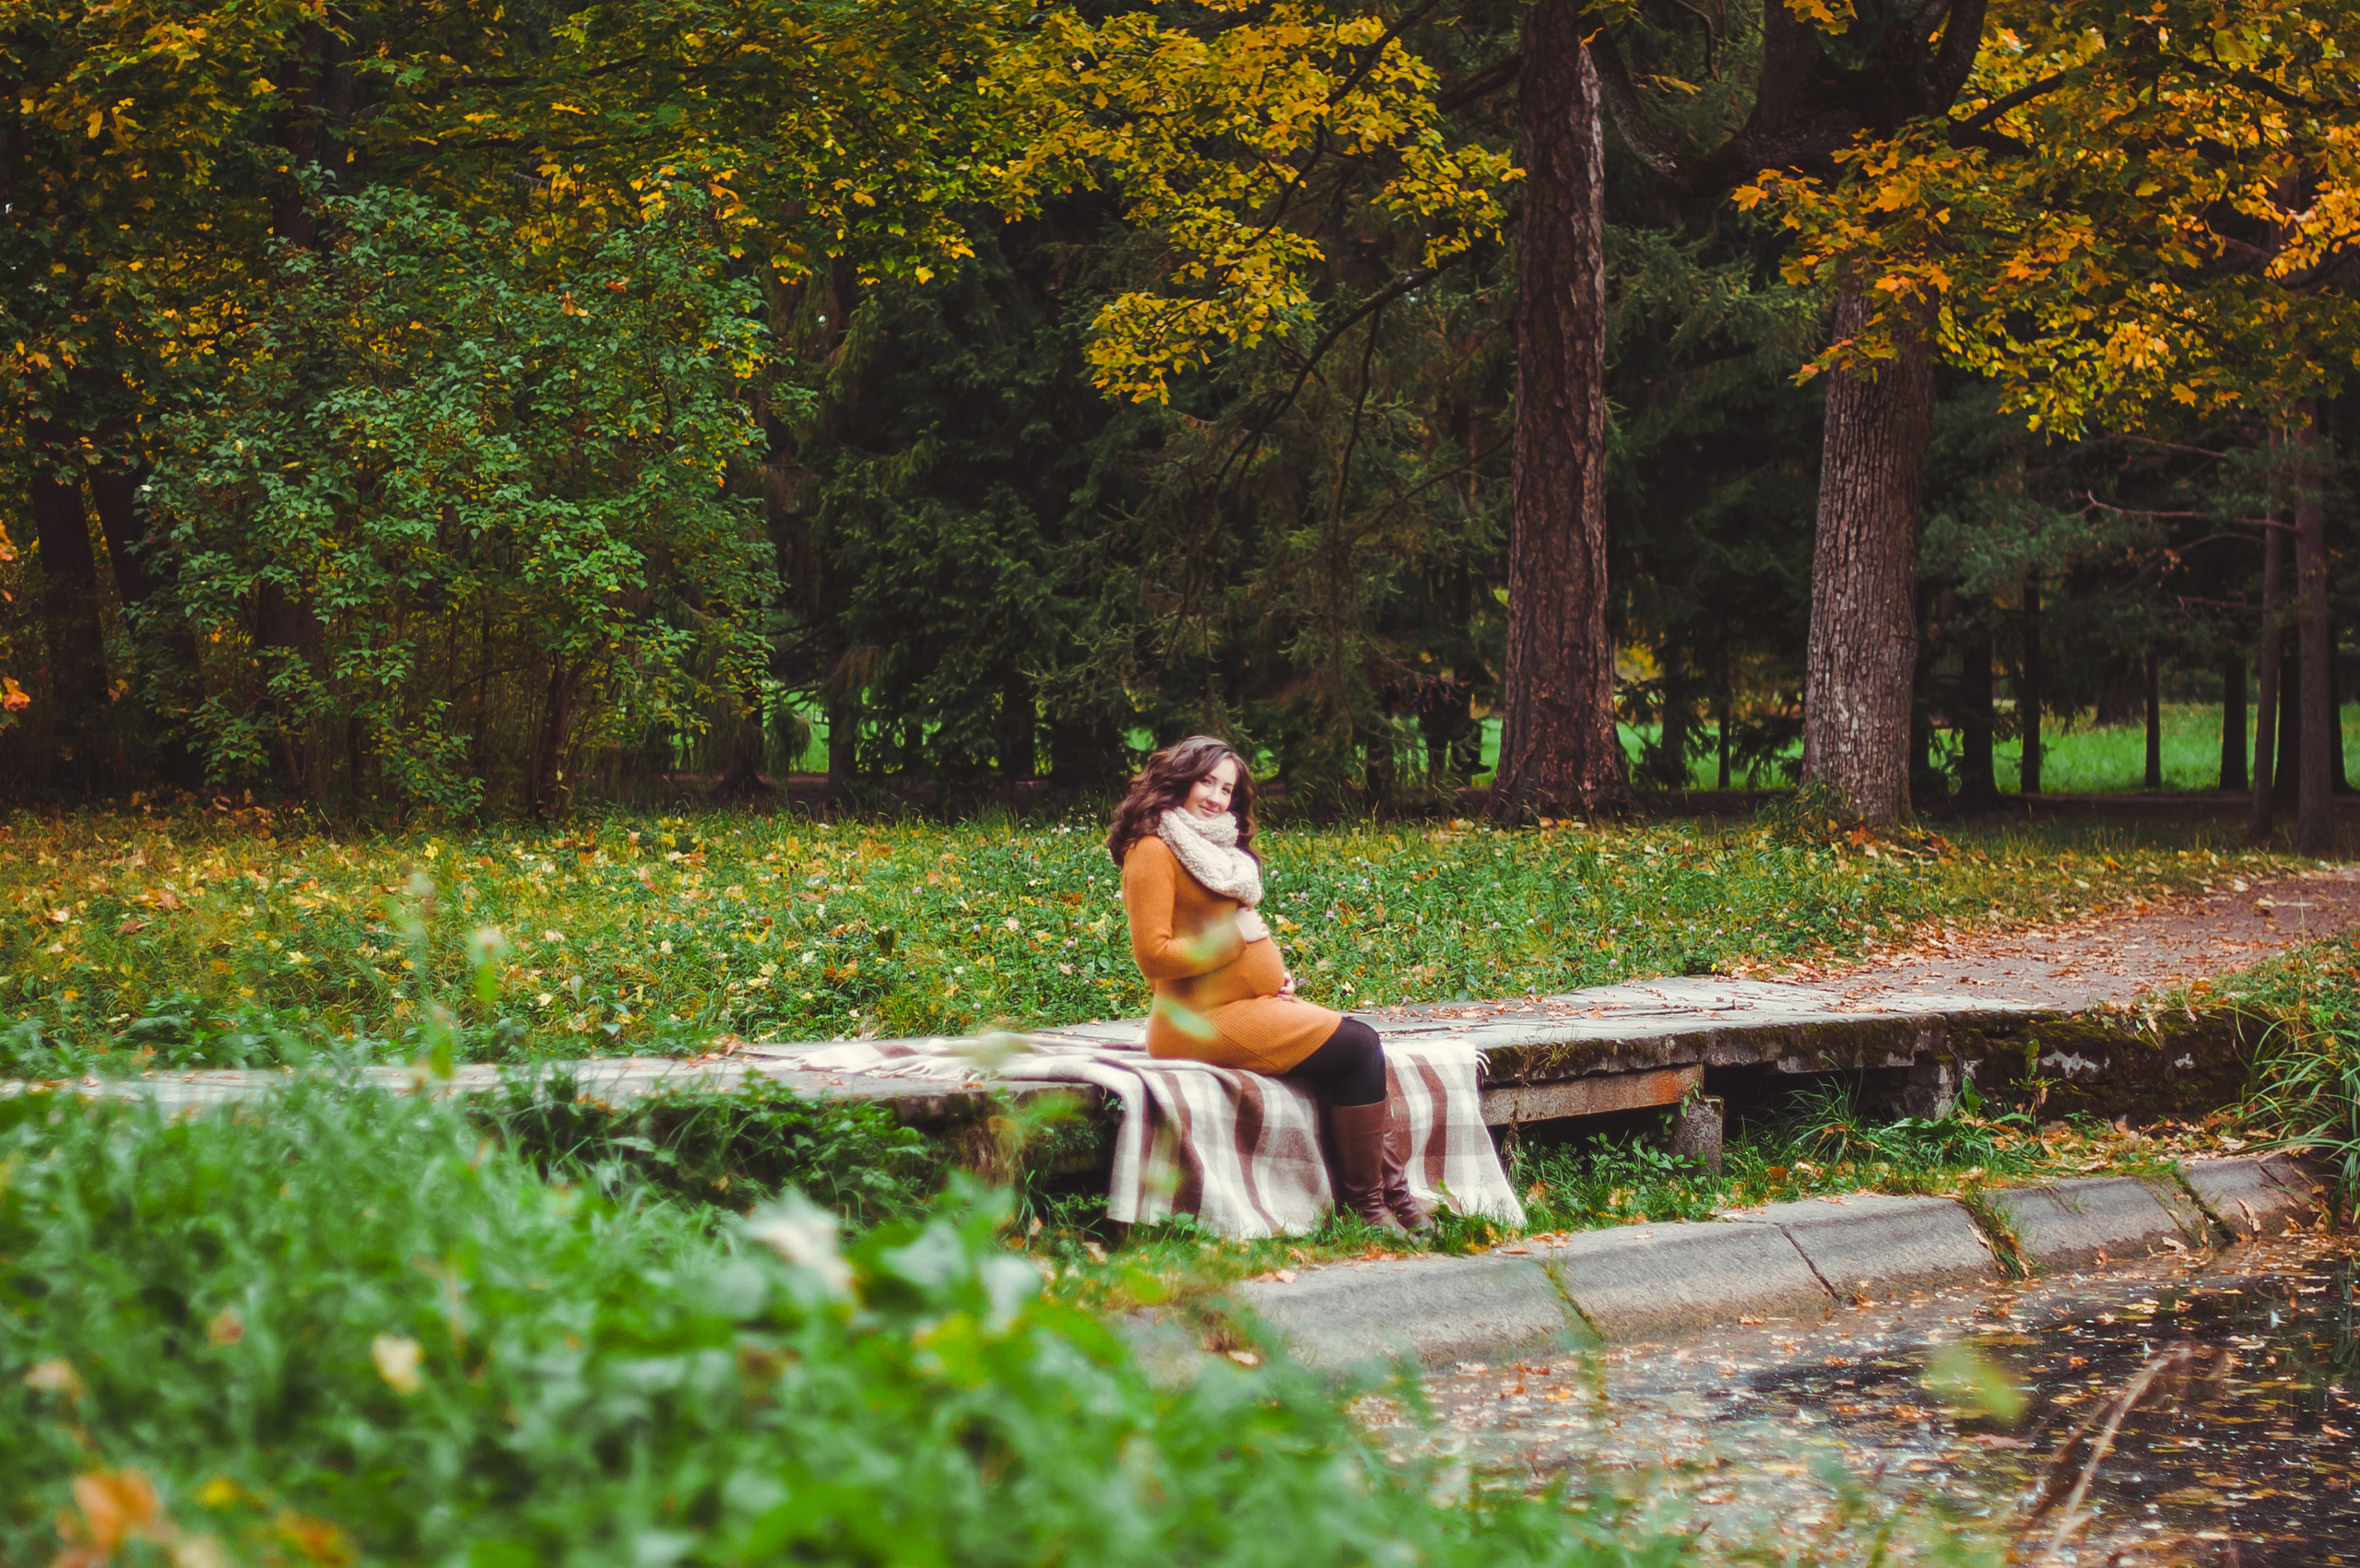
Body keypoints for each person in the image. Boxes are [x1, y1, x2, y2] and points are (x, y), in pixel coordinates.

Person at [1108, 735, 1429, 1233]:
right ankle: (1368, 1210)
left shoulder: (1216, 852)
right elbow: (1154, 958)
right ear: (1179, 781)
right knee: (1360, 1045)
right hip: (1194, 1022)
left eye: (1227, 789)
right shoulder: (1153, 850)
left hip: (1244, 1005)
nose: (1216, 798)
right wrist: (1235, 943)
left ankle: (1393, 1199)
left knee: (1357, 1046)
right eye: (1206, 782)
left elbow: (1224, 934)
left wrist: (1270, 975)